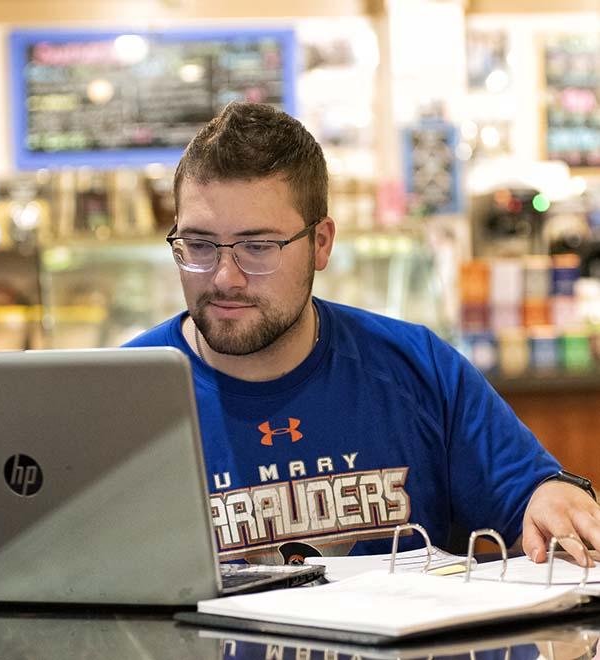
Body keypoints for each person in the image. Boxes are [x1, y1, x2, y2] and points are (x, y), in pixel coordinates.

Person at [125, 102, 600, 567]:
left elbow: (534, 494)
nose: (225, 277)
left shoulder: (416, 368)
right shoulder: (120, 395)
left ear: (321, 243)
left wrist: (554, 495)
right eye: (199, 244)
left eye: (257, 246)